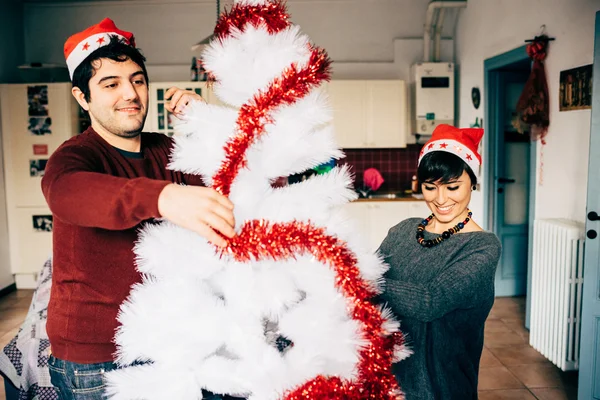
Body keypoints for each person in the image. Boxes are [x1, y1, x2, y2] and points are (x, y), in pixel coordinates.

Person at [42, 18, 237, 400]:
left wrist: (208, 127)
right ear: (82, 97)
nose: (130, 93)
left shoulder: (166, 149)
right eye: (110, 84)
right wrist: (163, 198)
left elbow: (234, 183)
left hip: (173, 342)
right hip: (99, 358)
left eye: (137, 80)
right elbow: (68, 193)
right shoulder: (74, 157)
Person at [376, 124, 501, 399]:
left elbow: (429, 301)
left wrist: (360, 277)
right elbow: (370, 288)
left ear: (473, 182)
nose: (440, 199)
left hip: (441, 383)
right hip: (389, 375)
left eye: (453, 186)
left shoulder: (482, 246)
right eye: (430, 187)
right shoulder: (402, 230)